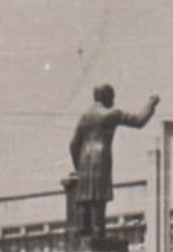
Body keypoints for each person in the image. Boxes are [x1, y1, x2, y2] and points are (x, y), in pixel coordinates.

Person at [68, 84, 159, 238]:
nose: (114, 100)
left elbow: (73, 144)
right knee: (99, 196)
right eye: (112, 96)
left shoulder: (84, 116)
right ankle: (98, 232)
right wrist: (150, 104)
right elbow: (138, 121)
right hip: (101, 157)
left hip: (84, 160)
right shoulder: (111, 114)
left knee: (85, 196)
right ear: (106, 97)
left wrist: (79, 166)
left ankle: (84, 231)